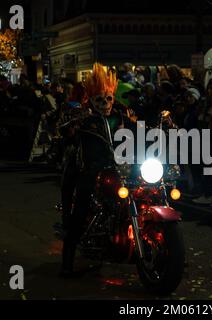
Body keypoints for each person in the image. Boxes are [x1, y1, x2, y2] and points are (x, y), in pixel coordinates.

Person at [60, 63, 123, 277]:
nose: (105, 103)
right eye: (100, 99)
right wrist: (71, 125)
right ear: (92, 100)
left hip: (120, 167)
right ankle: (67, 262)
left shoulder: (121, 115)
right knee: (81, 206)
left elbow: (142, 129)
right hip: (92, 168)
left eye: (109, 98)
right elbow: (65, 130)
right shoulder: (84, 117)